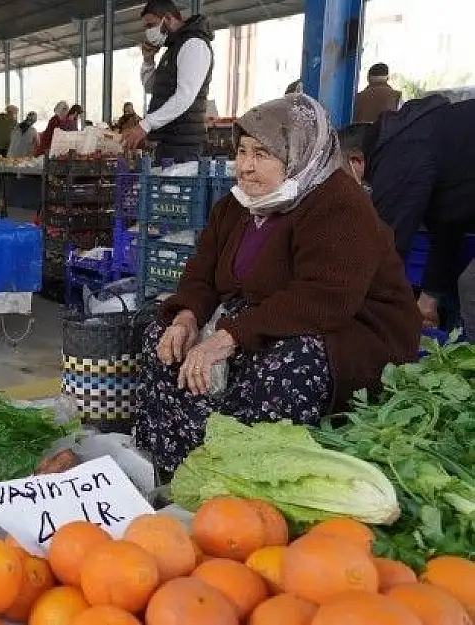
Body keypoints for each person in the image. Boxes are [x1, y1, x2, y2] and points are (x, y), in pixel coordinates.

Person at [133, 94, 420, 472]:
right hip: (266, 314)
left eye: (262, 154)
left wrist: (227, 336)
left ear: (298, 154)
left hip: (348, 329)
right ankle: (174, 463)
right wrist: (186, 316)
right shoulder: (236, 206)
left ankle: (242, 473)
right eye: (242, 152)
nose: (245, 168)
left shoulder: (339, 204)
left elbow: (323, 297)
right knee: (162, 335)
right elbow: (201, 272)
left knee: (283, 364)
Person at [357, 95, 475, 334]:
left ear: (356, 161)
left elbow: (386, 245)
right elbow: (448, 225)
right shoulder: (427, 133)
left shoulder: (401, 152)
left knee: (471, 289)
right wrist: (428, 302)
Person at [122, 0, 214, 164]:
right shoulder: (173, 47)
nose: (148, 31)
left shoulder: (194, 45)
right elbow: (151, 87)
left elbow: (184, 96)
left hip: (184, 146)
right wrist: (148, 61)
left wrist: (146, 125)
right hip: (169, 143)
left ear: (168, 18)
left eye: (151, 25)